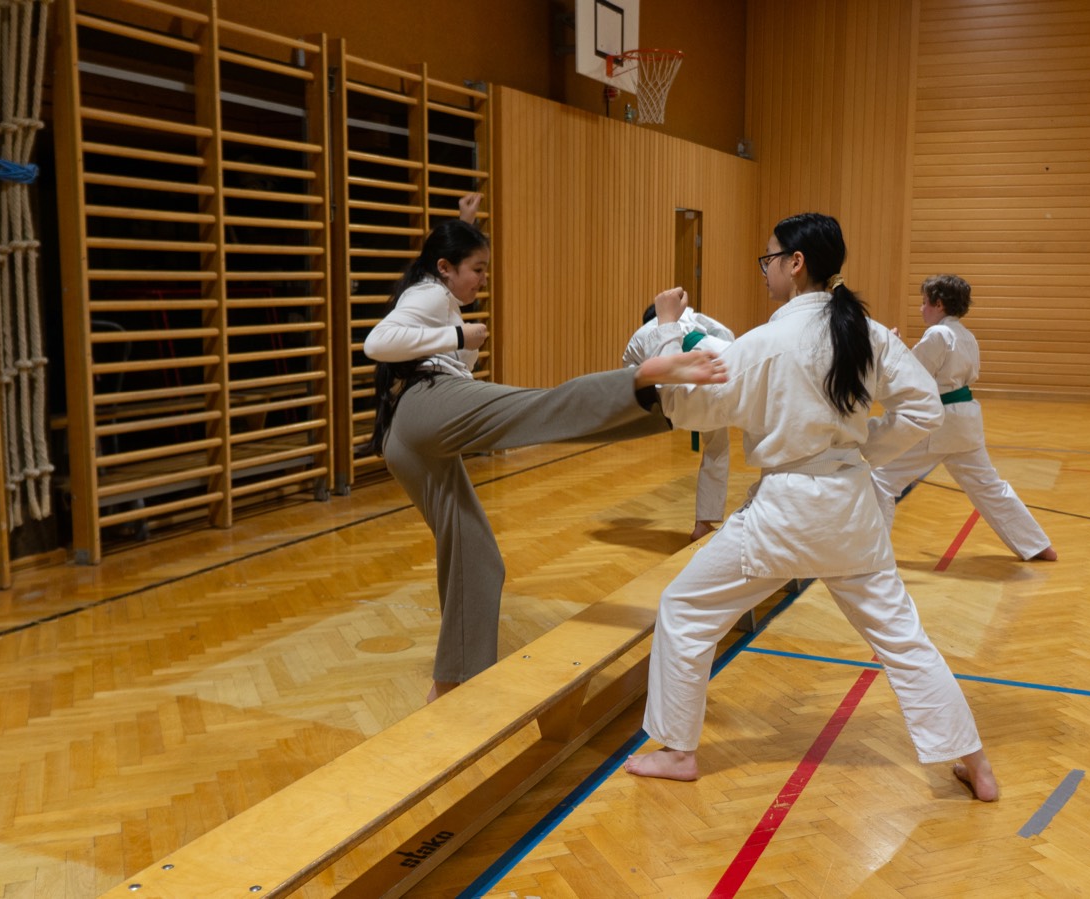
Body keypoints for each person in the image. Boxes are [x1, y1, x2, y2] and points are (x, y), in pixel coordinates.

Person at [623, 213, 999, 801]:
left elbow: (688, 410)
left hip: (785, 514)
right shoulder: (865, 331)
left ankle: (677, 751)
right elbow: (925, 409)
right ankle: (975, 762)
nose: (766, 269)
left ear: (795, 262)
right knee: (902, 640)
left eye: (768, 258)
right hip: (851, 511)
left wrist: (667, 329)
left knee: (686, 609)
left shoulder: (766, 343)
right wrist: (863, 453)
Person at [363, 208, 727, 703]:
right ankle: (645, 386)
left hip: (409, 443)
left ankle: (451, 685)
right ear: (445, 267)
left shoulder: (437, 291)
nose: (483, 279)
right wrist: (458, 337)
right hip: (425, 407)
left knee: (478, 558)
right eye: (477, 268)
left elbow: (418, 323)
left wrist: (465, 221)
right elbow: (377, 342)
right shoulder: (429, 292)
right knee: (537, 409)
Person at [868, 274, 1056, 562]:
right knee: (988, 486)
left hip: (939, 422)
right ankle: (1037, 544)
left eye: (924, 303)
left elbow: (913, 374)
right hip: (965, 419)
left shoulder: (938, 335)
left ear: (939, 304)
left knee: (881, 478)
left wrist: (889, 348)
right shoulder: (965, 335)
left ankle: (873, 556)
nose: (921, 309)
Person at [623, 302, 735, 540]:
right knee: (718, 447)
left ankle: (703, 525)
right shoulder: (690, 317)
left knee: (714, 437)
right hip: (721, 365)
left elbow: (629, 380)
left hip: (686, 393)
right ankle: (704, 523)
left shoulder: (641, 336)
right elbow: (726, 333)